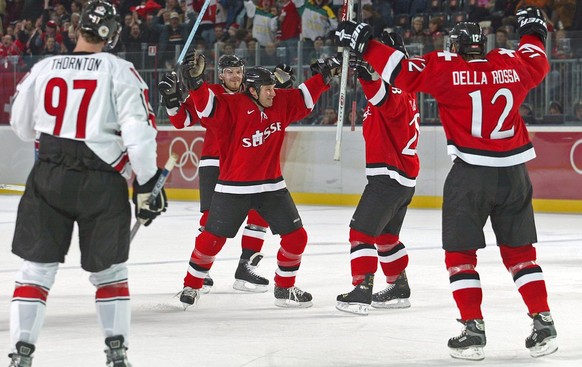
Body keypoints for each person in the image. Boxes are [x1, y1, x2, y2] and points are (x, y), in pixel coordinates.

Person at [333, 6, 558, 361]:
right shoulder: (511, 64)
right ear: (483, 44)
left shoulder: (447, 69)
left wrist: (364, 41)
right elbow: (537, 55)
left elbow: (403, 72)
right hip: (515, 173)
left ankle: (473, 331)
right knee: (520, 254)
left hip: (471, 173)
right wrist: (534, 28)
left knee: (460, 256)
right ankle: (543, 322)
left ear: (455, 46)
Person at [7, 1, 167, 366]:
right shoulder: (119, 69)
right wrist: (147, 183)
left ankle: (22, 353)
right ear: (111, 34)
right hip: (102, 180)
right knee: (109, 272)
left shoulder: (44, 67)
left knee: (36, 270)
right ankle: (116, 352)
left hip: (48, 173)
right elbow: (139, 135)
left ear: (79, 29)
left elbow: (20, 123)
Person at [177, 52, 340, 309]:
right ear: (252, 91)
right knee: (211, 239)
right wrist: (196, 83)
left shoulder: (280, 102)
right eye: (267, 89)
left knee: (297, 237)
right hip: (233, 188)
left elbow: (304, 98)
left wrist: (324, 76)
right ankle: (191, 284)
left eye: (273, 88)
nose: (273, 93)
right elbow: (207, 108)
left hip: (272, 186)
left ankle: (284, 289)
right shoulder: (231, 106)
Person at [159, 54, 282, 293]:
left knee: (259, 214)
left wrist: (283, 83)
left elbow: (276, 106)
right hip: (214, 162)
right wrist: (171, 98)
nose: (235, 76)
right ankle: (201, 271)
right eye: (229, 72)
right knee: (210, 221)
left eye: (238, 71)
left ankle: (246, 267)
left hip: (247, 164)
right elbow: (181, 121)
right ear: (220, 75)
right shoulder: (209, 93)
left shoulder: (253, 92)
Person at [335, 31, 419, 316]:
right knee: (386, 237)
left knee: (361, 233)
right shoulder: (397, 86)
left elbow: (387, 101)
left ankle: (361, 290)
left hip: (389, 177)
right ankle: (398, 286)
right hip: (399, 178)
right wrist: (367, 74)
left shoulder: (395, 88)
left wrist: (366, 76)